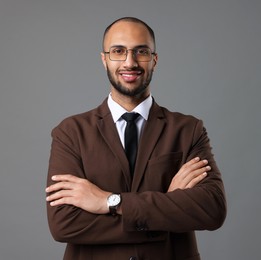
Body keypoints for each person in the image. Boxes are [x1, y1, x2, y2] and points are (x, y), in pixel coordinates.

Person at [45, 17, 227, 260]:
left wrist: (111, 202)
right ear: (104, 59)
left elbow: (212, 209)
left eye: (141, 51)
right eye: (118, 51)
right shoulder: (70, 132)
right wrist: (166, 208)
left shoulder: (188, 130)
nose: (129, 62)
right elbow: (64, 224)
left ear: (154, 59)